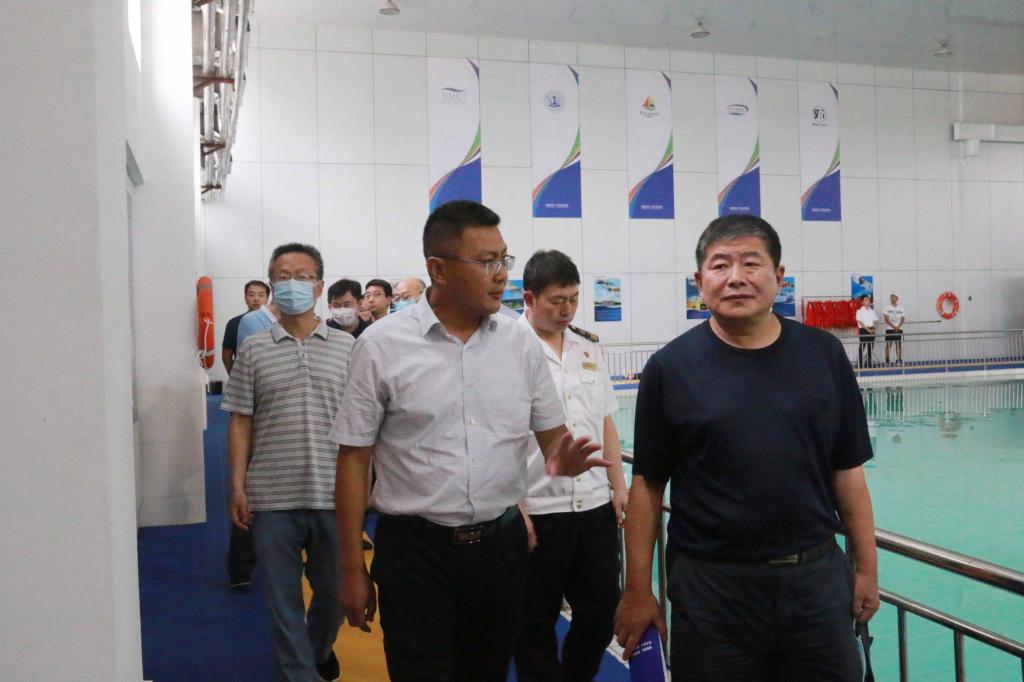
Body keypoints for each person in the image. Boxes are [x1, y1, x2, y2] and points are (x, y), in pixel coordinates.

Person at [330, 200, 610, 682]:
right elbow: (354, 461)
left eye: (504, 259)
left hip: (499, 551)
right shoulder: (381, 346)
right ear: (438, 269)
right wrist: (352, 568)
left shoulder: (519, 344)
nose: (501, 275)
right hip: (415, 553)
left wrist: (562, 457)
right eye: (486, 262)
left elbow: (552, 439)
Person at [614, 215, 879, 681]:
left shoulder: (823, 356)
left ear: (779, 277)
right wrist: (638, 589)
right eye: (720, 266)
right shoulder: (670, 369)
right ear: (700, 282)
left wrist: (866, 570)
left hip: (814, 582)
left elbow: (847, 472)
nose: (735, 278)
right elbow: (648, 487)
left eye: (751, 263)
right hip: (712, 591)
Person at [222, 243, 354, 682]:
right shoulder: (254, 350)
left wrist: (366, 485)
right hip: (271, 495)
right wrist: (237, 486)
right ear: (271, 284)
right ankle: (300, 675)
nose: (291, 284)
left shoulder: (349, 347)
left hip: (334, 494)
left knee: (334, 593)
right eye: (282, 276)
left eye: (301, 276)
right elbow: (241, 421)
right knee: (283, 602)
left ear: (318, 286)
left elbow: (365, 424)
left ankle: (318, 651)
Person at [513, 250, 628, 682]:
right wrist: (514, 505)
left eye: (574, 299)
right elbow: (498, 436)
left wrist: (619, 485)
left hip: (594, 507)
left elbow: (606, 420)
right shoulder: (507, 349)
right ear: (529, 297)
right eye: (557, 300)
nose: (567, 310)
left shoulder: (587, 347)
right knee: (533, 620)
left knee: (600, 612)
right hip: (539, 507)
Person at [222, 280, 270, 375]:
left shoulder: (276, 322)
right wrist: (236, 378)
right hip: (245, 375)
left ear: (267, 299)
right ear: (245, 298)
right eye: (251, 295)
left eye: (261, 295)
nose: (256, 299)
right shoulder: (234, 323)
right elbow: (226, 357)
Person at [856, 295, 878, 368]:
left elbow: (876, 321)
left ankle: (868, 362)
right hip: (863, 330)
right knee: (862, 346)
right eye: (866, 299)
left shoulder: (872, 311)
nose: (868, 301)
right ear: (862, 302)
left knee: (870, 347)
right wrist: (867, 329)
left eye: (868, 299)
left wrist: (874, 328)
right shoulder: (859, 311)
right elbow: (860, 321)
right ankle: (860, 362)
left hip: (871, 329)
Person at [884, 293, 905, 365]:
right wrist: (894, 327)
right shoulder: (887, 307)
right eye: (891, 297)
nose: (893, 298)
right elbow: (886, 319)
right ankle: (887, 360)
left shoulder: (901, 308)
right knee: (888, 345)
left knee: (898, 344)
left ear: (897, 298)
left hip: (899, 329)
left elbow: (903, 319)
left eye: (894, 297)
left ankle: (899, 359)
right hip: (889, 329)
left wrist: (898, 327)